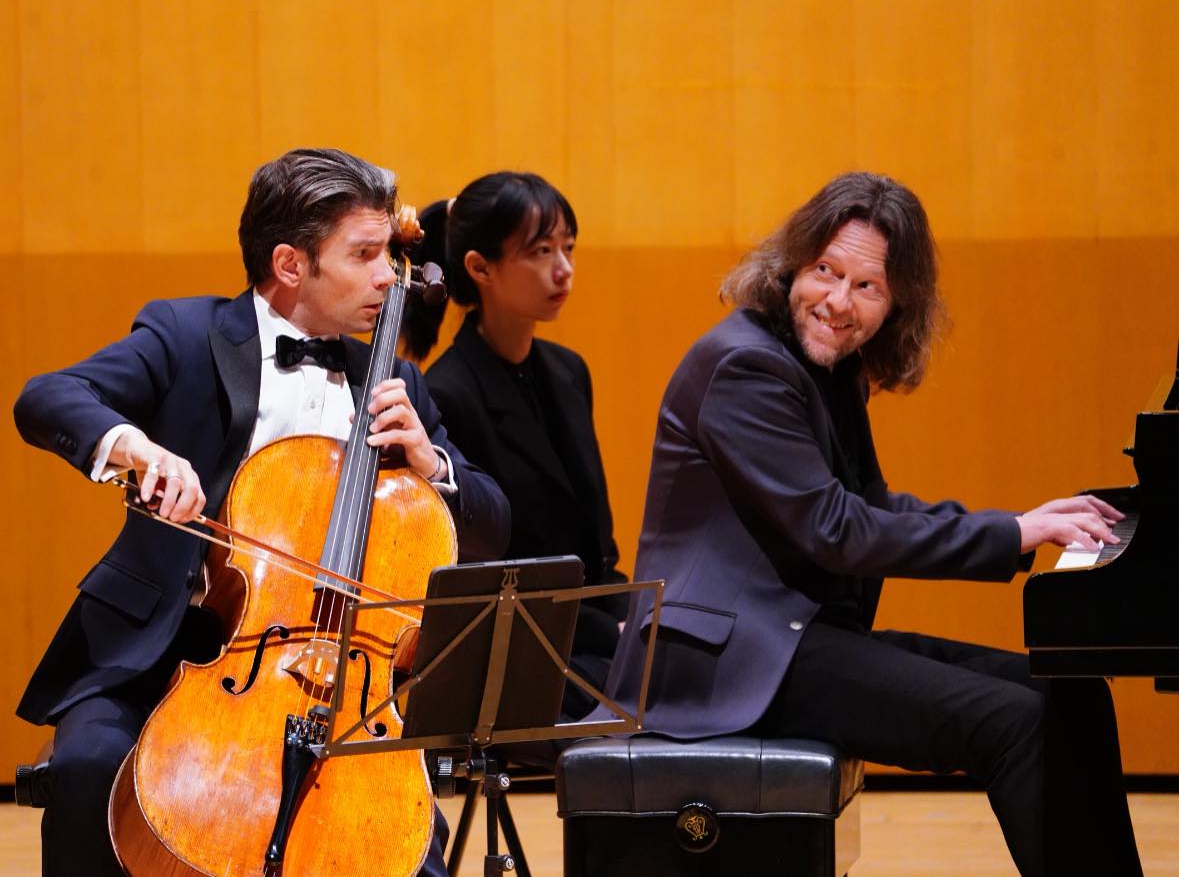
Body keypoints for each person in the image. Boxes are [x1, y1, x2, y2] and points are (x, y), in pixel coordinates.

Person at [598, 172, 1141, 877]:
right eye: (825, 271)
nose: (836, 301)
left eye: (866, 287)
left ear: (896, 306)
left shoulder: (828, 369)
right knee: (1015, 723)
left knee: (1071, 693)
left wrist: (1020, 521)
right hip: (723, 666)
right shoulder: (745, 366)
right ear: (792, 264)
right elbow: (836, 529)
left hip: (786, 638)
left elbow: (870, 505)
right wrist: (1011, 536)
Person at [13, 148, 511, 877]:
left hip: (335, 676)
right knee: (91, 768)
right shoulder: (185, 334)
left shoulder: (392, 381)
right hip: (158, 649)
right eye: (364, 254)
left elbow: (492, 521)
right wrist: (138, 451)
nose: (386, 276)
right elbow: (48, 397)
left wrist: (431, 465)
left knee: (407, 845)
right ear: (289, 264)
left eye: (387, 254)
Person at [403, 171, 627, 721]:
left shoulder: (570, 372)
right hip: (527, 652)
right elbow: (493, 570)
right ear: (480, 268)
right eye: (541, 251)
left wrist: (636, 622)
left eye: (568, 248)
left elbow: (597, 547)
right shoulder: (448, 393)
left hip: (595, 633)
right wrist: (617, 634)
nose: (563, 268)